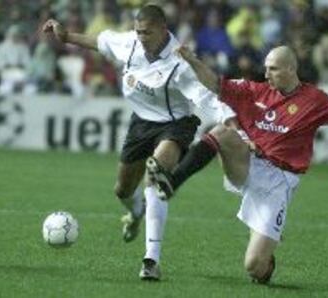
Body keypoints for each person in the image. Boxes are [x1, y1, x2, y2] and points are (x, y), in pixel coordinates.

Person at [147, 45, 328, 284]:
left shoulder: (315, 100)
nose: (266, 74)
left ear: (291, 69)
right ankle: (172, 181)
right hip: (248, 163)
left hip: (279, 181)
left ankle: (266, 264)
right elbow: (215, 84)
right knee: (221, 132)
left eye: (273, 69)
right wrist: (192, 60)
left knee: (254, 266)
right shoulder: (254, 91)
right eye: (265, 68)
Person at [42, 4, 231, 281]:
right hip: (141, 123)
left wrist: (230, 120)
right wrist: (67, 36)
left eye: (147, 32)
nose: (141, 37)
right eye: (138, 31)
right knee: (122, 190)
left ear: (163, 30)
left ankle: (151, 260)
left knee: (155, 174)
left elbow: (205, 98)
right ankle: (136, 212)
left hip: (175, 124)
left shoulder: (179, 63)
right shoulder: (130, 42)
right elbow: (101, 42)